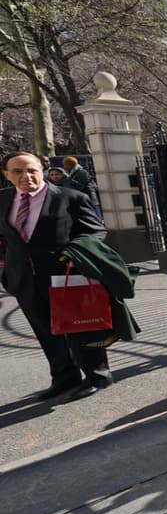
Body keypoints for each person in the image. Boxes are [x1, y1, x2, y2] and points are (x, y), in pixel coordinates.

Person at [1, 150, 112, 400]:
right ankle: (64, 378)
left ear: (42, 170)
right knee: (45, 331)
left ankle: (97, 375)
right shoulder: (3, 200)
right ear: (7, 175)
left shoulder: (71, 198)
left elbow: (96, 231)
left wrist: (76, 252)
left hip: (65, 276)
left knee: (80, 329)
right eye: (18, 171)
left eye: (32, 170)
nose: (26, 176)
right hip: (23, 279)